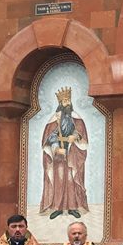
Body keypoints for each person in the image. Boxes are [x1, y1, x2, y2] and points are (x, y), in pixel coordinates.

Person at [39, 86, 89, 219]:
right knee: (59, 179)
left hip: (73, 151)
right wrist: (56, 147)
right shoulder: (55, 119)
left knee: (71, 179)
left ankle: (73, 207)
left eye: (68, 100)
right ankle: (57, 208)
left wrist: (76, 137)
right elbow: (49, 137)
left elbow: (81, 133)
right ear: (60, 103)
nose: (66, 103)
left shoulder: (75, 118)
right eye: (64, 101)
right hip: (59, 154)